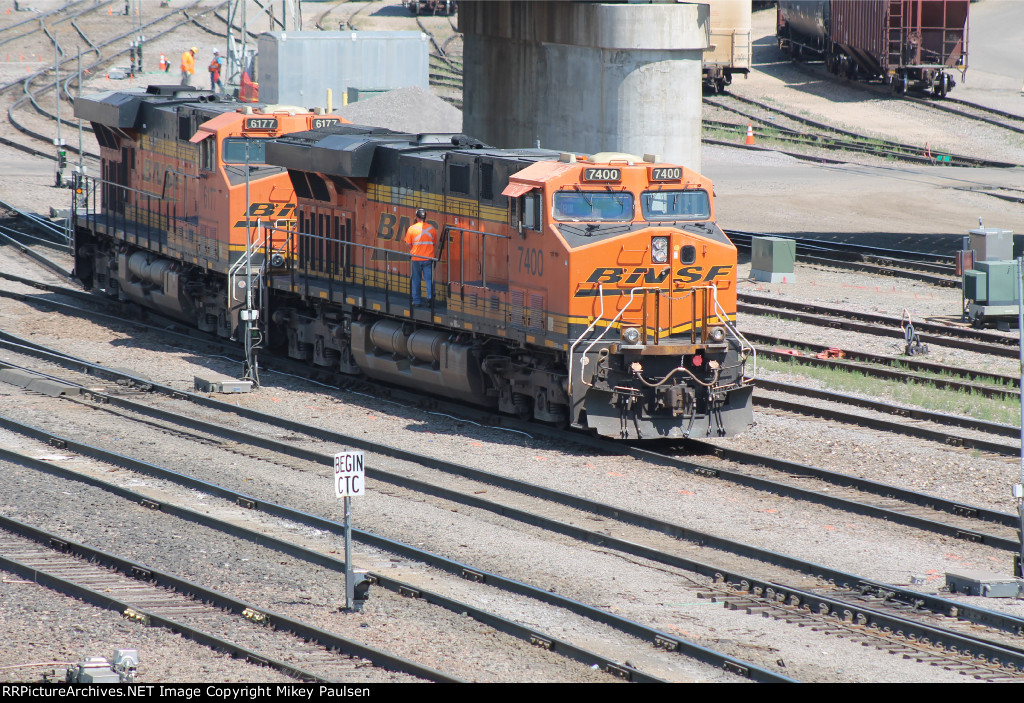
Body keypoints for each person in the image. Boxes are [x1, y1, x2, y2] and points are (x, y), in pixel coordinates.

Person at [404, 208, 436, 307]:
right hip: (428, 258)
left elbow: (408, 244)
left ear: (417, 217)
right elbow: (433, 243)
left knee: (416, 280)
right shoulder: (432, 229)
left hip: (416, 258)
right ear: (425, 217)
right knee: (429, 280)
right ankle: (430, 298)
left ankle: (417, 301)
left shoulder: (411, 229)